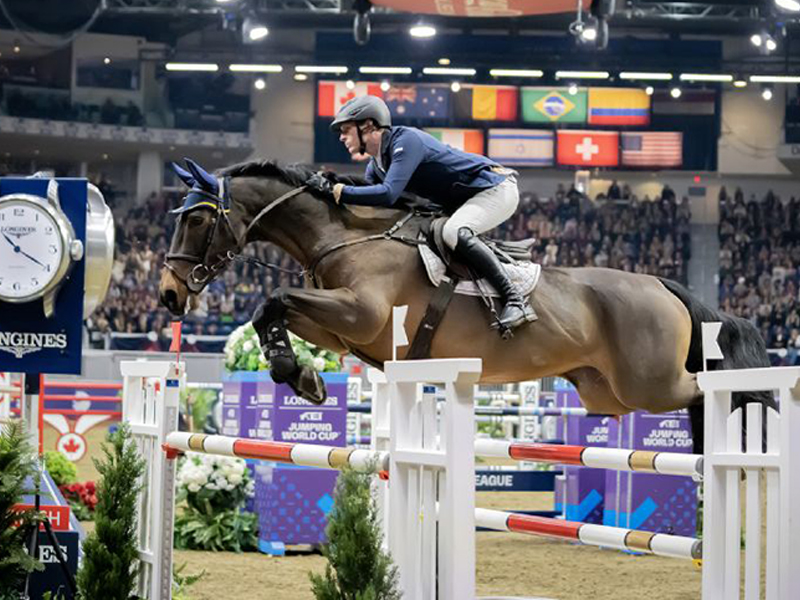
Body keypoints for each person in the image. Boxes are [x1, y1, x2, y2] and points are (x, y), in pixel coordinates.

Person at [304, 95, 533, 331]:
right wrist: (326, 190)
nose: (342, 137)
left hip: (494, 189)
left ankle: (516, 299)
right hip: (465, 200)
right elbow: (369, 201)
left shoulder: (407, 140)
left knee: (454, 232)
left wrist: (337, 191)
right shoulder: (376, 165)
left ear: (368, 126)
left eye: (346, 130)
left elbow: (388, 194)